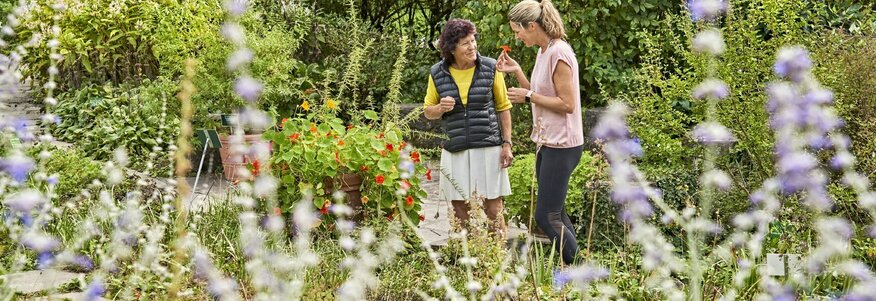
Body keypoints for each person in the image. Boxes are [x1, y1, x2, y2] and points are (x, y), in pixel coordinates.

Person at [497, 0, 584, 264]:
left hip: (563, 145)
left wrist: (528, 95)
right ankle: (578, 268)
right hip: (547, 143)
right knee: (557, 213)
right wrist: (519, 73)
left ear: (532, 26)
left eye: (518, 31)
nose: (517, 36)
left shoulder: (559, 53)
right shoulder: (544, 50)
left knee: (546, 217)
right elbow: (541, 92)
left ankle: (580, 269)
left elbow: (567, 104)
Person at [423, 18, 513, 234]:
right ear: (452, 48)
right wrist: (441, 108)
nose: (472, 46)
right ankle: (467, 258)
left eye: (473, 41)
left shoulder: (491, 67)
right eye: (465, 43)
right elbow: (428, 111)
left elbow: (503, 107)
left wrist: (507, 144)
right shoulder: (437, 73)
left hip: (488, 145)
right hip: (455, 148)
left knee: (493, 208)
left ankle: (498, 258)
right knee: (459, 208)